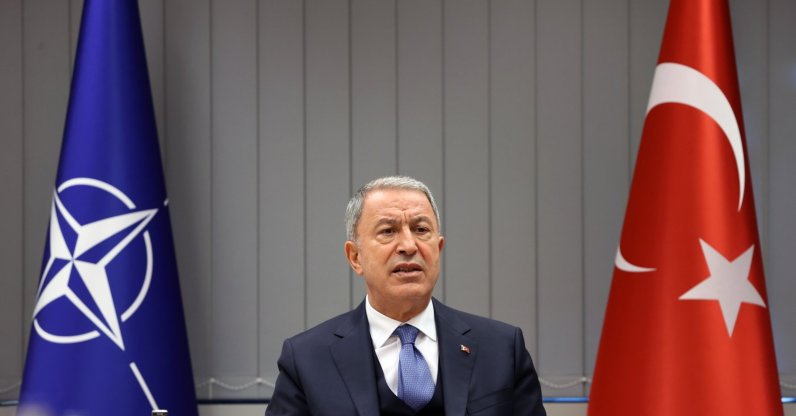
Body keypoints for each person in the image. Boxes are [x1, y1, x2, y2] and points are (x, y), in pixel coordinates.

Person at [266, 176, 546, 415]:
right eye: (388, 231)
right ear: (355, 257)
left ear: (438, 248)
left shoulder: (501, 348)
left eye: (421, 230)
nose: (409, 245)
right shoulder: (306, 359)